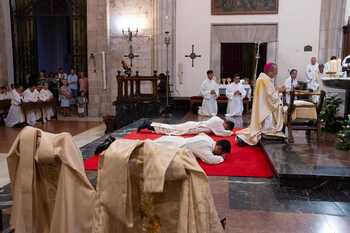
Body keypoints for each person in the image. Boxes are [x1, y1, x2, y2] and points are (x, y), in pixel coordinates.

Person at [236, 63, 286, 146]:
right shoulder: (265, 80)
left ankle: (243, 138)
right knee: (265, 128)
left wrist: (276, 90)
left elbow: (268, 94)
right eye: (275, 71)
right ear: (270, 71)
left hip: (263, 107)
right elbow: (271, 97)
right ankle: (243, 139)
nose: (276, 73)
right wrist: (279, 91)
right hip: (266, 109)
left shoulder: (263, 79)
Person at [154, 134, 231, 165]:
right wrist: (221, 158)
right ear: (219, 148)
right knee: (149, 146)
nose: (219, 154)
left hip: (176, 140)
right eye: (221, 153)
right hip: (175, 146)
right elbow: (210, 160)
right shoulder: (206, 146)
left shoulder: (209, 139)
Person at [137, 116, 235, 136]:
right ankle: (148, 124)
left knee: (171, 129)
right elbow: (220, 133)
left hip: (193, 127)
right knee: (170, 129)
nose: (224, 128)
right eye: (226, 127)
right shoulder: (218, 122)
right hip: (192, 127)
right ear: (226, 124)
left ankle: (150, 125)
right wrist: (231, 132)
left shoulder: (218, 120)